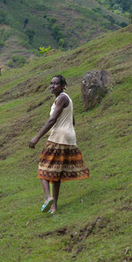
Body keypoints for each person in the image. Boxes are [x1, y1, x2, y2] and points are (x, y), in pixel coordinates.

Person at [28, 75, 89, 214]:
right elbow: (72, 120)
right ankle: (54, 208)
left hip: (57, 138)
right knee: (56, 174)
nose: (52, 86)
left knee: (43, 168)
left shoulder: (61, 98)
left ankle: (48, 197)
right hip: (69, 139)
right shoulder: (67, 99)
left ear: (63, 86)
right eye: (51, 83)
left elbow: (52, 119)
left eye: (56, 84)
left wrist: (37, 137)